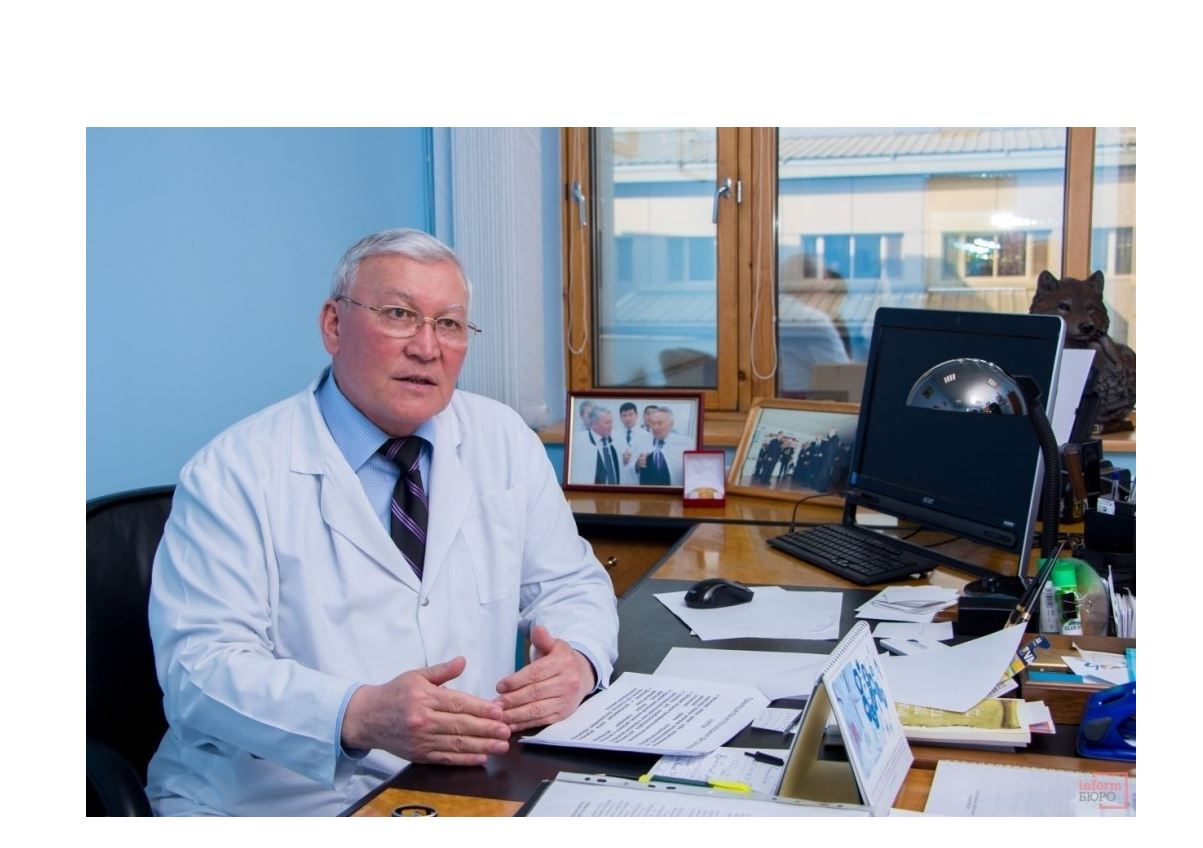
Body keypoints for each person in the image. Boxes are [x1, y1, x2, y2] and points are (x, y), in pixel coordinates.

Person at [145, 229, 619, 816]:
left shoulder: (502, 439)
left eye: (449, 324)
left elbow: (571, 584)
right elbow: (199, 672)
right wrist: (358, 713)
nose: (427, 347)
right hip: (276, 802)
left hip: (465, 786)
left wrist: (579, 661)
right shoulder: (232, 473)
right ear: (333, 326)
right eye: (399, 315)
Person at [635, 407, 692, 486]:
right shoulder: (641, 441)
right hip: (645, 490)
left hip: (672, 490)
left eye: (659, 423)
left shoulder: (687, 444)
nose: (655, 427)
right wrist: (637, 464)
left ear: (671, 424)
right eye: (652, 423)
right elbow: (629, 468)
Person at [568, 405, 620, 485]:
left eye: (611, 422)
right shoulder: (579, 444)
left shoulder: (615, 439)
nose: (611, 426)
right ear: (594, 424)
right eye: (607, 423)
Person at [616, 402, 649, 485]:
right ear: (620, 417)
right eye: (624, 415)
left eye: (631, 414)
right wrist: (621, 459)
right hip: (619, 481)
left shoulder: (647, 436)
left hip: (638, 480)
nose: (627, 418)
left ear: (636, 415)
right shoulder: (613, 435)